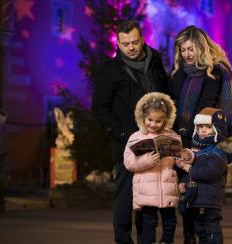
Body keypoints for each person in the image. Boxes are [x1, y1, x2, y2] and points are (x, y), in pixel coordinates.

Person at [92, 20, 168, 244]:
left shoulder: (155, 62)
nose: (131, 48)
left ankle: (147, 240)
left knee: (148, 198)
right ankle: (123, 241)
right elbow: (100, 108)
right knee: (125, 198)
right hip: (127, 143)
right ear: (119, 43)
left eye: (135, 42)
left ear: (142, 39)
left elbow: (166, 95)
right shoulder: (110, 70)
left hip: (155, 139)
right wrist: (123, 135)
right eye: (125, 44)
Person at [168, 25, 232, 244]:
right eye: (182, 50)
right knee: (185, 199)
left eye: (190, 49)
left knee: (207, 203)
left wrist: (227, 145)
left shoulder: (218, 71)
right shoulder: (178, 73)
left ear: (201, 47)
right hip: (181, 142)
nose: (186, 54)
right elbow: (172, 107)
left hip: (206, 145)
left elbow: (226, 109)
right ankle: (189, 238)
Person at [123, 92, 193, 244]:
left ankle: (166, 241)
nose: (153, 124)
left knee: (170, 221)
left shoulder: (172, 135)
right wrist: (147, 160)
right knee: (149, 222)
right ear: (143, 117)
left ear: (165, 120)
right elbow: (129, 162)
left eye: (158, 121)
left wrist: (186, 163)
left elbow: (177, 159)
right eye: (150, 120)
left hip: (168, 186)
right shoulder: (136, 137)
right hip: (146, 190)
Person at [177, 107, 232, 244]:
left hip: (209, 200)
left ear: (217, 129)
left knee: (212, 231)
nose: (203, 130)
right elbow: (194, 173)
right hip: (198, 200)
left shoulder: (219, 151)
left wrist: (188, 168)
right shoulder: (200, 150)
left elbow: (209, 172)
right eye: (200, 127)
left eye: (207, 127)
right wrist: (183, 183)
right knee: (201, 232)